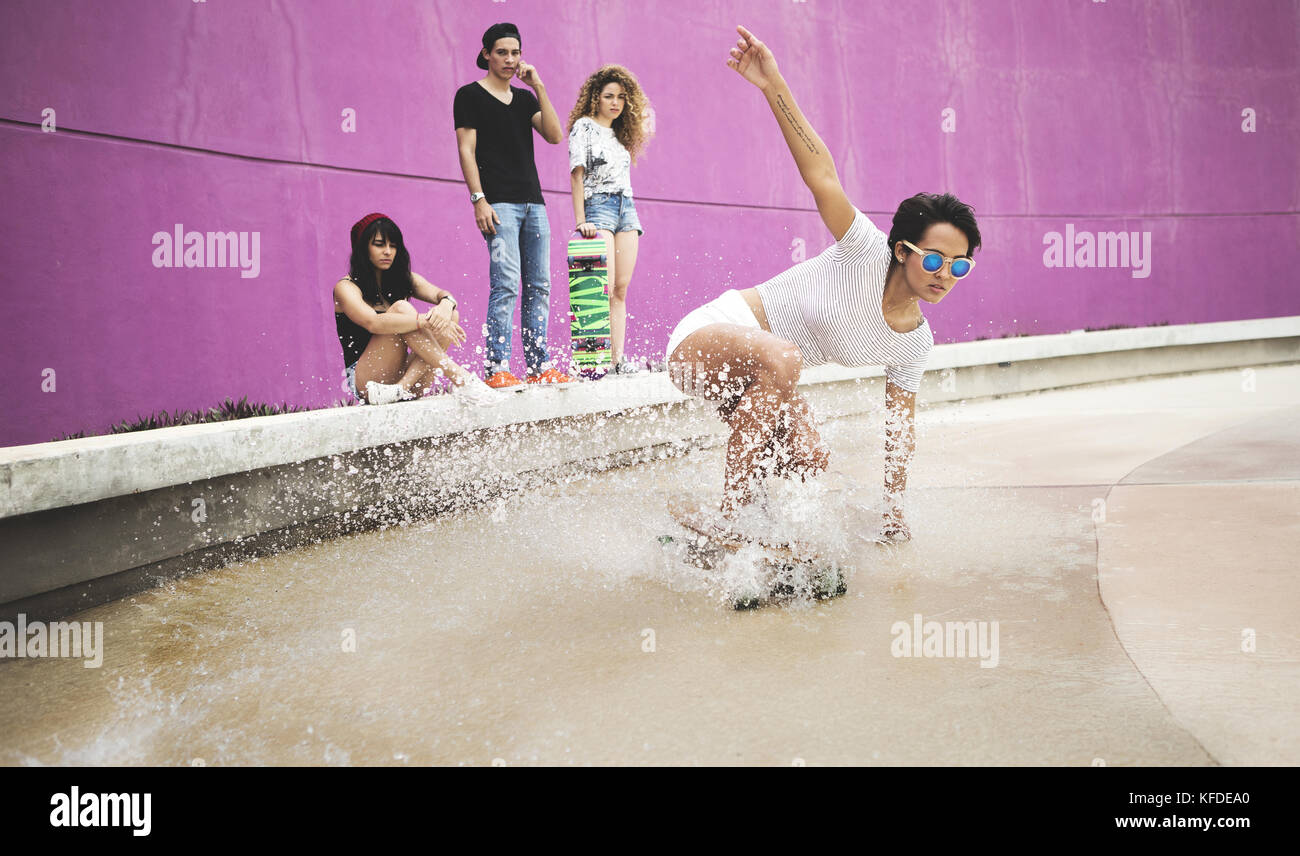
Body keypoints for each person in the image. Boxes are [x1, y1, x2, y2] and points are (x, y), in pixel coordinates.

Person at [665, 26, 982, 542]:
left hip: (764, 378)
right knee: (785, 358)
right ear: (902, 251)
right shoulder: (865, 249)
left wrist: (894, 514)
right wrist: (772, 87)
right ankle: (728, 522)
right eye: (934, 260)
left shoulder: (914, 342)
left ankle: (745, 535)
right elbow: (822, 174)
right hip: (705, 342)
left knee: (810, 456)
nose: (945, 275)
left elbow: (899, 430)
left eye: (960, 266)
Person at [454, 22, 572, 387]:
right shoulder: (469, 95)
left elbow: (555, 135)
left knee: (539, 284)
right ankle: (496, 368)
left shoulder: (523, 99)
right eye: (502, 52)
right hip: (498, 204)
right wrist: (479, 199)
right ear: (487, 54)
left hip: (533, 203)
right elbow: (466, 150)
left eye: (515, 52)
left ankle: (539, 366)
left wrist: (537, 85)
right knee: (505, 283)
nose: (509, 59)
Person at [333, 212, 499, 406]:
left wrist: (446, 304)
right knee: (403, 308)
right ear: (363, 248)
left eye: (393, 245)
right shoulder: (346, 287)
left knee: (450, 315)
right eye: (379, 244)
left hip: (406, 381)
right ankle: (462, 378)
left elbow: (442, 294)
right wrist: (423, 320)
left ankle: (402, 387)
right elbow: (374, 323)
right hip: (368, 382)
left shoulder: (404, 279)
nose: (388, 251)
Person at [567, 64, 653, 376]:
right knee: (598, 288)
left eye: (620, 97)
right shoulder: (584, 128)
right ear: (596, 98)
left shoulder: (620, 135)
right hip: (598, 207)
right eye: (608, 96)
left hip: (626, 208)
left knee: (620, 288)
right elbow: (577, 175)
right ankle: (595, 362)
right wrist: (581, 220)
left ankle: (618, 361)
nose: (615, 102)